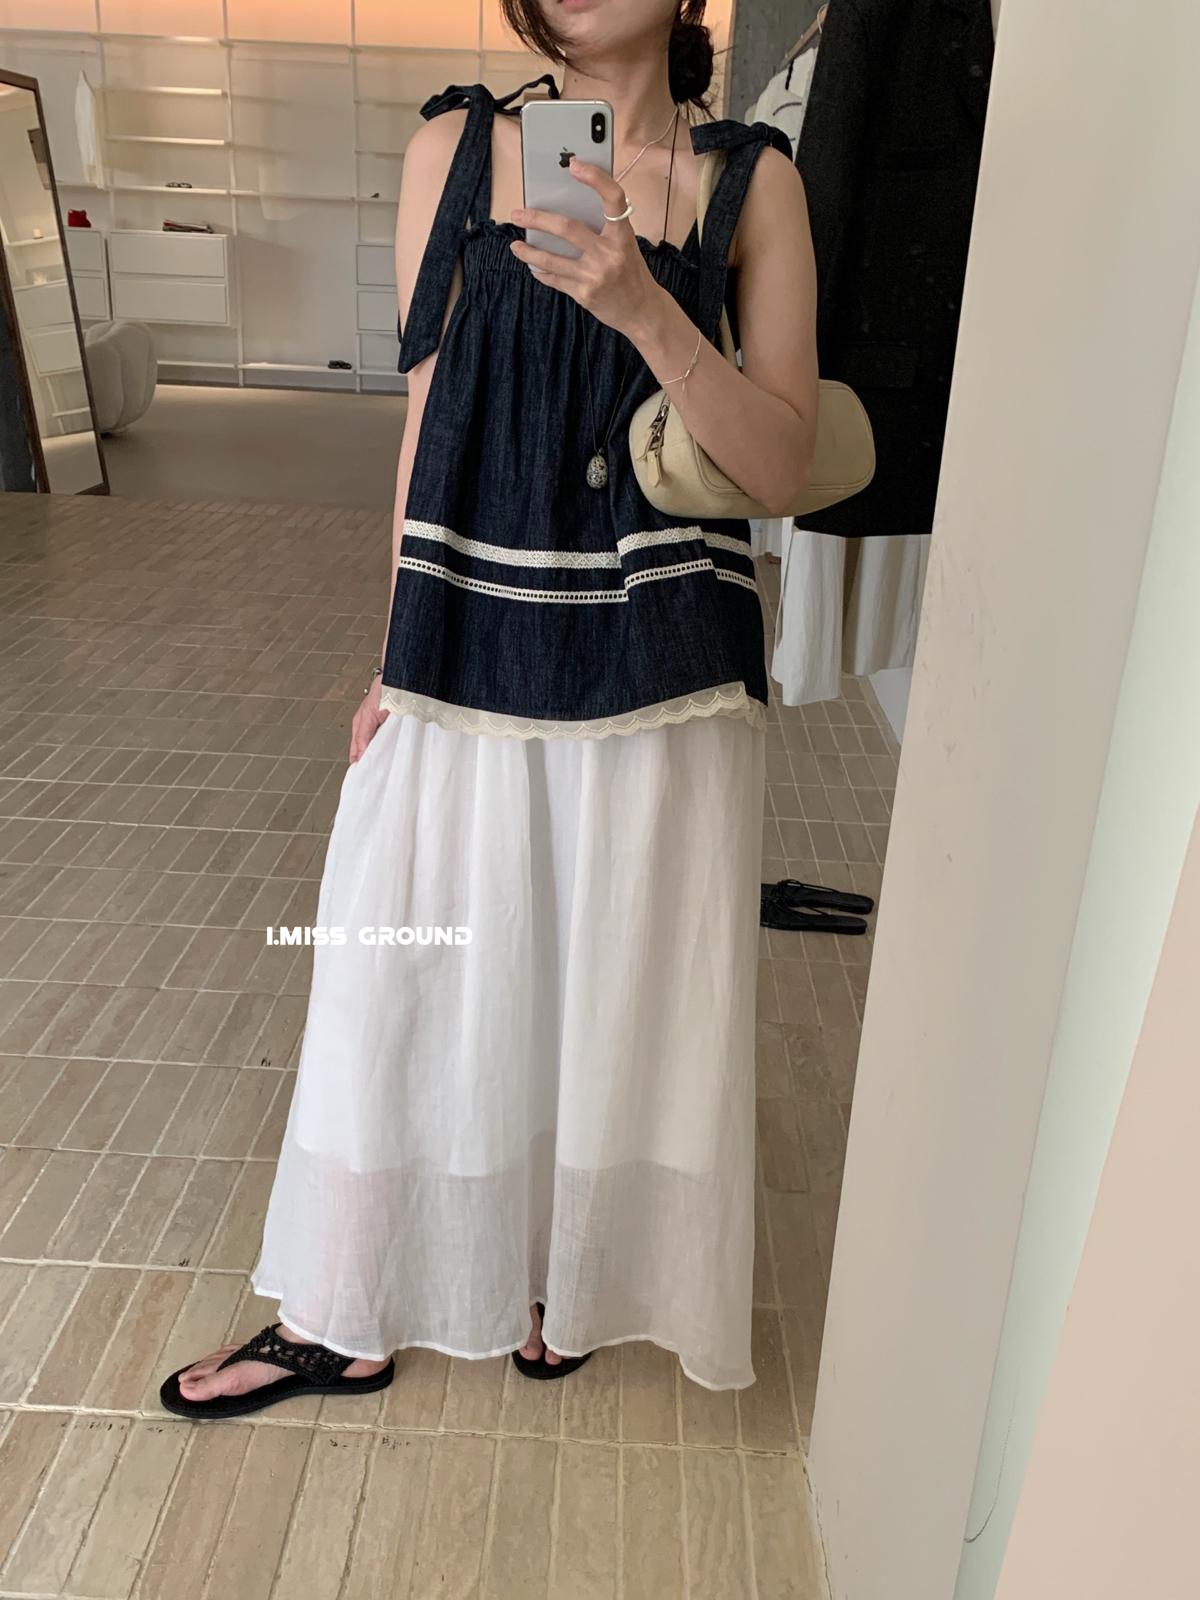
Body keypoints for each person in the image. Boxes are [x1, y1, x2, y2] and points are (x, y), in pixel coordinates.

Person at [159, 0, 817, 1418]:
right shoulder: (458, 150)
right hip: (468, 628)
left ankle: (572, 1278)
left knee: (619, 988)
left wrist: (647, 308)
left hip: (665, 663)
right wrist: (389, 655)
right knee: (398, 971)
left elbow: (780, 464)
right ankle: (342, 1306)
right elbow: (428, 412)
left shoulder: (750, 184)